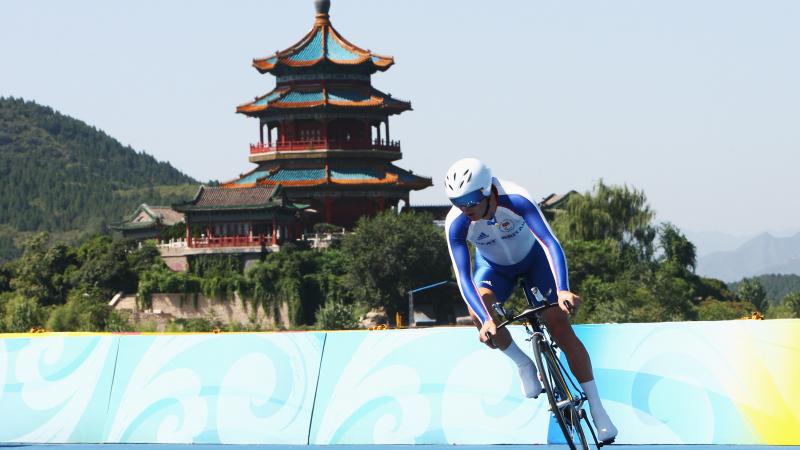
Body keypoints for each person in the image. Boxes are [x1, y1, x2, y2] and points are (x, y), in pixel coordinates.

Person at [443, 157, 618, 444]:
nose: (466, 209)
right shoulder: (456, 223)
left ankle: (598, 410)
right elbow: (463, 278)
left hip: (534, 261)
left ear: (488, 191)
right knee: (479, 314)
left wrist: (563, 289)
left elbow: (550, 242)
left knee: (558, 325)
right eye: (457, 202)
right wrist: (487, 321)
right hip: (494, 270)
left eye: (471, 201)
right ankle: (524, 364)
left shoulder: (516, 198)